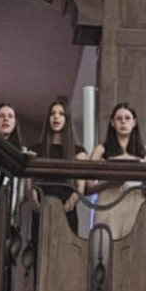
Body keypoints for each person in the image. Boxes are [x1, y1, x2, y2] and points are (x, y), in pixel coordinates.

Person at [86, 103, 146, 239]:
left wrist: (144, 178)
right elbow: (88, 187)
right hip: (107, 203)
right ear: (112, 122)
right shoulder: (101, 150)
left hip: (135, 203)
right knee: (105, 245)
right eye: (119, 118)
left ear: (134, 122)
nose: (123, 122)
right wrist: (111, 182)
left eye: (127, 118)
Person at [32, 98, 85, 231]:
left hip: (67, 206)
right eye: (52, 113)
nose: (56, 117)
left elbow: (80, 188)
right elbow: (29, 183)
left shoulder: (78, 152)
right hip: (42, 204)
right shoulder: (35, 150)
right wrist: (35, 203)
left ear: (67, 119)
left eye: (61, 114)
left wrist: (70, 204)